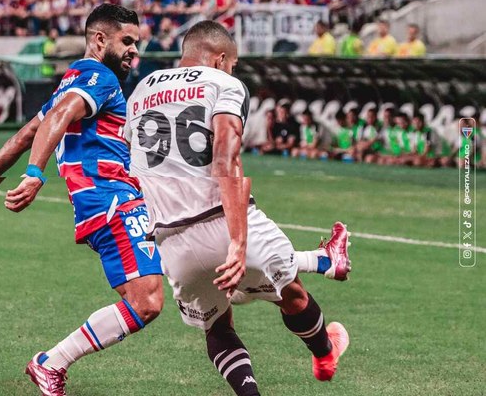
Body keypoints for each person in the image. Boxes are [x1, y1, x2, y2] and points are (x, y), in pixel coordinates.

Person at [0, 5, 349, 396]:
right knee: (152, 300)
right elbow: (58, 120)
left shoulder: (120, 87)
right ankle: (52, 361)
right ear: (99, 39)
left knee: (220, 304)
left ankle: (324, 260)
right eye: (127, 41)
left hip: (153, 223)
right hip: (120, 203)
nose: (135, 51)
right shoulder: (100, 78)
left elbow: (28, 131)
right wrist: (34, 175)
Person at [126, 20, 350, 396]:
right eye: (233, 64)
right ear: (220, 58)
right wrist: (236, 241)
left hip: (170, 238)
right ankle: (325, 354)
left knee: (218, 325)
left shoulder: (140, 90)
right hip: (220, 217)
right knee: (291, 294)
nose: (234, 71)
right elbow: (225, 158)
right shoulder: (224, 84)